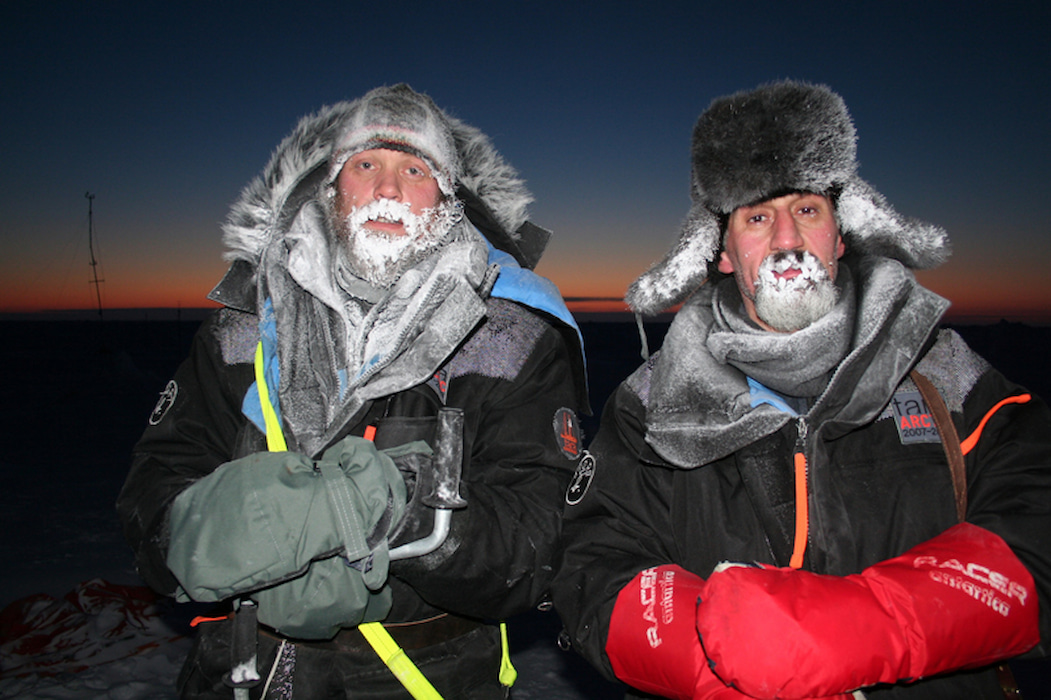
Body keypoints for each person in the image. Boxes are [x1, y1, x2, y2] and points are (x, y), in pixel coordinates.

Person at [551, 81, 1051, 699]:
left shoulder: (942, 373)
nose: (787, 239)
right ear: (723, 251)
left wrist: (869, 628)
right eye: (758, 217)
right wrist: (711, 657)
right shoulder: (654, 405)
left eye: (807, 210)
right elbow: (591, 562)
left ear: (841, 234)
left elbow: (1037, 520)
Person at [117, 83, 588, 699]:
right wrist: (196, 533)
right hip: (239, 674)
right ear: (331, 185)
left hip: (427, 679)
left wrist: (394, 510)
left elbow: (539, 543)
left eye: (414, 170)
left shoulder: (512, 336)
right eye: (366, 165)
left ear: (449, 199)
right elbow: (154, 488)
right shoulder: (241, 328)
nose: (387, 189)